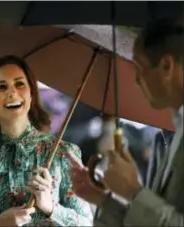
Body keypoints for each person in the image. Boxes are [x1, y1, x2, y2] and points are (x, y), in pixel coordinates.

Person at [0, 55, 93, 226]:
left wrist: (51, 207)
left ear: (31, 94)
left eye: (20, 84)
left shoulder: (63, 153)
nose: (12, 92)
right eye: (2, 87)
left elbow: (86, 223)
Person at [68, 16, 183, 226]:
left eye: (140, 68)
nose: (137, 80)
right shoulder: (176, 132)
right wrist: (103, 200)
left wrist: (133, 191)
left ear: (166, 66)